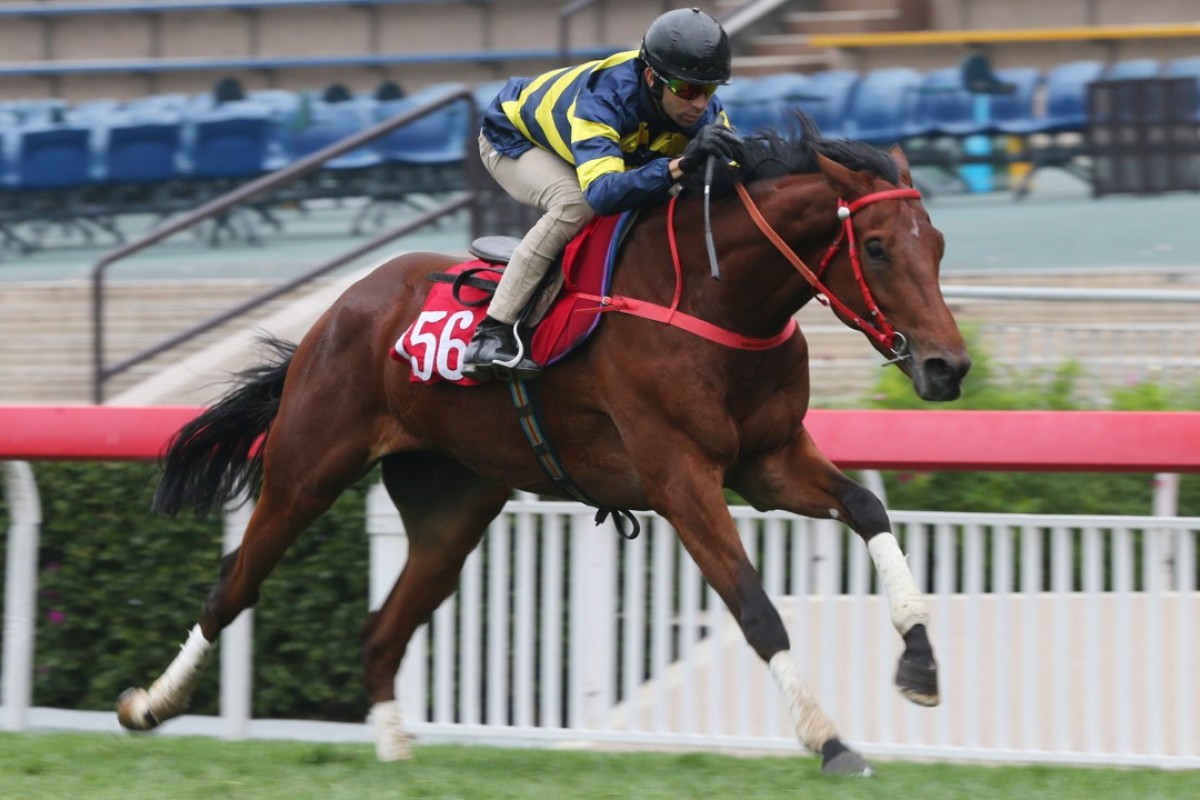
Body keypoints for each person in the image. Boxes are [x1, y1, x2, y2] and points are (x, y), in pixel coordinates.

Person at [463, 7, 742, 381]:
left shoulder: (704, 111)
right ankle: (492, 333)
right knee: (574, 203)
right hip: (513, 137)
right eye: (687, 90)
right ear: (651, 78)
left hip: (598, 148)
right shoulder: (606, 97)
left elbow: (735, 172)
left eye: (708, 91)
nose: (699, 105)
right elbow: (603, 195)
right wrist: (679, 164)